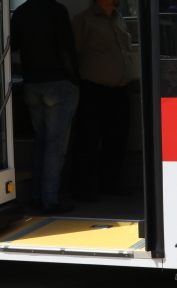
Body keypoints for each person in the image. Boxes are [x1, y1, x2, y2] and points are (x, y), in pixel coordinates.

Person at [11, 0, 80, 214]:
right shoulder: (58, 11)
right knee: (55, 145)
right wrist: (75, 80)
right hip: (58, 83)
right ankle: (50, 198)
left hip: (31, 84)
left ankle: (36, 197)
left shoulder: (21, 11)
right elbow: (66, 49)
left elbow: (13, 45)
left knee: (41, 142)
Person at [71, 0, 134, 202]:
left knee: (117, 141)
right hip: (93, 91)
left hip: (120, 90)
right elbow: (73, 54)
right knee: (87, 141)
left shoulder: (119, 19)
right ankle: (83, 189)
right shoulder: (83, 20)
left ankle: (109, 184)